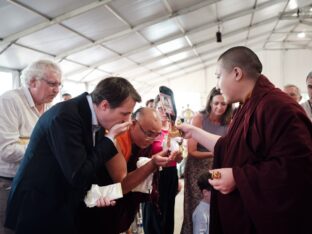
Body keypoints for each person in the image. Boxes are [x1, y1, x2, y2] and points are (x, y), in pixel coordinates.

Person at [177, 46, 312, 234]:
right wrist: (194, 132)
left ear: (237, 73)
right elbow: (229, 146)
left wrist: (238, 177)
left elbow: (298, 169)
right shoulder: (247, 106)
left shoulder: (278, 106)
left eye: (218, 76)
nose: (217, 85)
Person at [4, 77, 142, 234]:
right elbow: (78, 174)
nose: (128, 121)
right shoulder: (66, 116)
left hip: (60, 201)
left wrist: (98, 193)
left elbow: (89, 163)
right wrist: (110, 139)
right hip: (39, 205)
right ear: (104, 105)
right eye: (125, 114)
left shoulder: (91, 115)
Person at [78, 107, 180, 234]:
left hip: (123, 206)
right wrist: (153, 163)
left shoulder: (140, 142)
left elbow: (140, 164)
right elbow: (122, 184)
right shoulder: (116, 140)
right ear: (133, 123)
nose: (152, 139)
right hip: (103, 203)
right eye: (149, 133)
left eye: (157, 134)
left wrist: (165, 155)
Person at [0, 60, 62, 234]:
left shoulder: (49, 107)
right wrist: (46, 151)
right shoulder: (10, 101)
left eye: (58, 84)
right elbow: (7, 150)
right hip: (8, 184)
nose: (57, 90)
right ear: (32, 81)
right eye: (51, 84)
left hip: (35, 184)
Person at [181, 87, 232, 234]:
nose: (219, 107)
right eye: (216, 103)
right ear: (210, 102)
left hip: (217, 166)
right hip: (197, 166)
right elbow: (192, 151)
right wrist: (216, 152)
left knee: (214, 202)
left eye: (223, 104)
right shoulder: (199, 118)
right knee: (197, 203)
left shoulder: (229, 120)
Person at [143, 95, 182, 234]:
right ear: (155, 109)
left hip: (171, 174)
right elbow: (142, 157)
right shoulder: (149, 129)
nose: (164, 112)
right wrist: (158, 156)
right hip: (154, 175)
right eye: (160, 108)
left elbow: (179, 159)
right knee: (153, 214)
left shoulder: (174, 129)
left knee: (168, 213)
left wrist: (178, 157)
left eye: (167, 109)